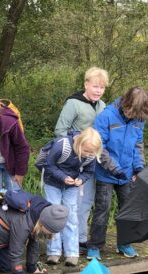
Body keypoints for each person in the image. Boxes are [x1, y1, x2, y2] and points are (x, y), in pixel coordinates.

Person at [87, 87, 148, 260]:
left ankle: (124, 244)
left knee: (128, 209)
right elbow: (98, 147)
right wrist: (115, 169)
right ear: (126, 103)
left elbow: (138, 144)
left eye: (137, 115)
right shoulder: (106, 116)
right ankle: (95, 246)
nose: (133, 117)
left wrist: (139, 168)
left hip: (128, 173)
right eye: (131, 113)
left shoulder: (139, 119)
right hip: (106, 173)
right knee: (103, 209)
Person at [54, 67, 109, 254]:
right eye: (95, 86)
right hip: (74, 161)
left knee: (87, 201)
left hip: (93, 161)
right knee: (73, 201)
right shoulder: (73, 103)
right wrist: (77, 144)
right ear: (86, 84)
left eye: (102, 87)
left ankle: (81, 237)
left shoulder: (103, 106)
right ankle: (66, 239)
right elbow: (60, 131)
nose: (98, 90)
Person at [42, 128, 102, 267]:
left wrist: (81, 180)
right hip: (52, 183)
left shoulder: (91, 155)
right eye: (86, 151)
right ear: (79, 143)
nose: (88, 155)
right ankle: (54, 251)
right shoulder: (62, 145)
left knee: (71, 217)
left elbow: (88, 171)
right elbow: (48, 165)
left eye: (91, 152)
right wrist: (63, 177)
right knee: (53, 214)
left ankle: (72, 253)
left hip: (71, 186)